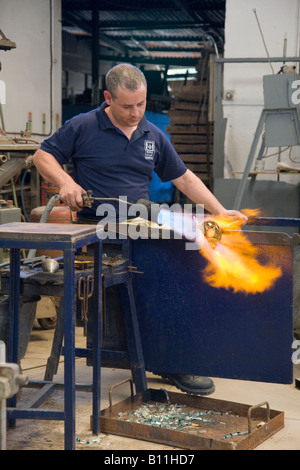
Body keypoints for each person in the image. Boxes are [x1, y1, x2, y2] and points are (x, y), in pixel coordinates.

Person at [32, 63, 247, 396]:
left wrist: (219, 211)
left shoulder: (153, 135)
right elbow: (42, 155)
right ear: (108, 98)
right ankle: (156, 358)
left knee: (180, 271)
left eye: (141, 105)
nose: (135, 113)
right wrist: (66, 182)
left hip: (142, 230)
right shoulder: (84, 126)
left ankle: (169, 360)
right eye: (127, 106)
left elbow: (184, 177)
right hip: (98, 233)